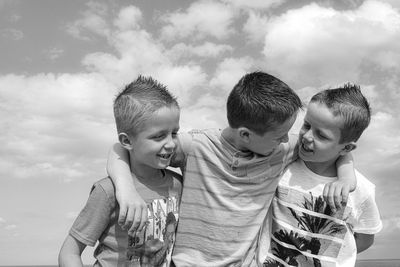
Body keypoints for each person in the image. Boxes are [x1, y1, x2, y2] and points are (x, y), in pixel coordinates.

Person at [107, 71, 356, 266]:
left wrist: (346, 176)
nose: (287, 140)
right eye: (279, 135)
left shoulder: (280, 150)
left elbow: (340, 150)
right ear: (246, 134)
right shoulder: (196, 147)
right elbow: (120, 149)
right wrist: (125, 190)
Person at [58, 76, 182, 267]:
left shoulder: (178, 185)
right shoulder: (107, 191)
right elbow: (69, 253)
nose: (171, 143)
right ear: (127, 141)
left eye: (174, 133)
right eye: (159, 136)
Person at [259, 84, 382, 267]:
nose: (307, 136)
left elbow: (365, 238)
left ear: (346, 148)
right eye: (306, 125)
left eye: (321, 136)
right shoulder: (284, 163)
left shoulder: (361, 189)